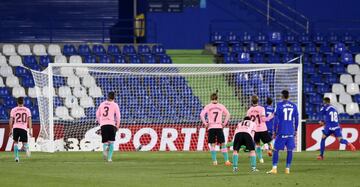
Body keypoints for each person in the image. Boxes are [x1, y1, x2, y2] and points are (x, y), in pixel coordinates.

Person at [267, 90, 298, 174]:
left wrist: (274, 130)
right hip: (290, 131)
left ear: (282, 96)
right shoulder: (294, 106)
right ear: (288, 96)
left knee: (276, 150)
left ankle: (274, 168)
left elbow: (276, 119)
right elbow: (296, 119)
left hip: (281, 130)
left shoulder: (279, 105)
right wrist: (295, 130)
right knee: (290, 150)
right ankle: (287, 169)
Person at [200, 93, 231, 166]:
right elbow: (228, 114)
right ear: (217, 98)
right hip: (219, 127)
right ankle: (226, 161)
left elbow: (201, 115)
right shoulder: (221, 106)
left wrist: (205, 123)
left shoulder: (208, 106)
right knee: (223, 144)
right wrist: (224, 123)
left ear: (211, 98)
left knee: (212, 144)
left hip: (211, 127)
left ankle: (215, 161)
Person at [247, 95, 273, 164]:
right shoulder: (261, 108)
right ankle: (270, 150)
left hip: (255, 130)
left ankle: (261, 159)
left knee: (257, 144)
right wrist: (270, 117)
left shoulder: (249, 110)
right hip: (262, 128)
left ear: (251, 101)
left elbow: (248, 121)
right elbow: (263, 119)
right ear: (258, 101)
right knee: (269, 142)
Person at [96, 91, 121, 162]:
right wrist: (117, 126)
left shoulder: (102, 104)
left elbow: (97, 114)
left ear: (107, 96)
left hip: (103, 125)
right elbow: (118, 116)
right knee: (111, 142)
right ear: (114, 97)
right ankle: (109, 158)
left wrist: (100, 122)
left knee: (105, 142)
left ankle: (105, 150)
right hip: (111, 125)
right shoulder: (115, 105)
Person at [9, 97, 32, 162]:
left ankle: (16, 157)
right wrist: (30, 130)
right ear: (23, 102)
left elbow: (10, 121)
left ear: (17, 102)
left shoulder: (13, 110)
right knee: (25, 143)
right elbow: (30, 120)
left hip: (15, 128)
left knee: (15, 142)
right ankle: (27, 148)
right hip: (23, 128)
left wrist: (10, 130)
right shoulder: (27, 110)